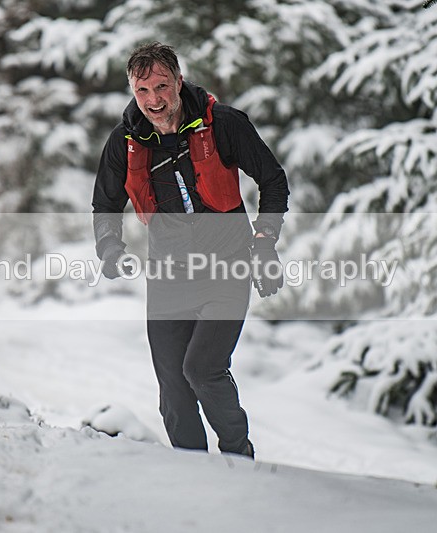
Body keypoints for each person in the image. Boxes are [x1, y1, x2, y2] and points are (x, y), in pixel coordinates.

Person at [92, 43, 289, 459]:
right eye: (142, 90)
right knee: (174, 394)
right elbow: (106, 204)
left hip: (227, 266)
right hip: (168, 275)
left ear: (179, 82)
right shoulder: (125, 140)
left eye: (162, 86)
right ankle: (193, 475)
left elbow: (273, 181)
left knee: (202, 369)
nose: (153, 100)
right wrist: (110, 246)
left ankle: (239, 457)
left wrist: (265, 243)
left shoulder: (224, 124)